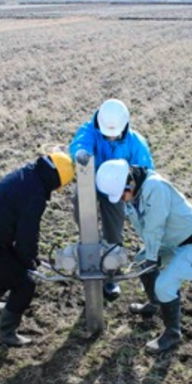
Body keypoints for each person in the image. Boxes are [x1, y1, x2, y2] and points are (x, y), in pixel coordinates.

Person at [95, 159, 192, 354]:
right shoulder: (133, 195)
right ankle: (155, 303)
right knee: (142, 262)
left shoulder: (155, 188)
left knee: (165, 285)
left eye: (122, 194)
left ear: (130, 182)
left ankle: (172, 334)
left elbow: (154, 227)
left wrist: (152, 256)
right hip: (172, 240)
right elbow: (145, 228)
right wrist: (148, 257)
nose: (122, 199)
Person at [0, 152, 75, 347]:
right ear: (55, 181)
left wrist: (26, 257)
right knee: (24, 284)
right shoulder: (35, 195)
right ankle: (7, 333)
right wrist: (29, 260)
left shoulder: (28, 173)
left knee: (11, 271)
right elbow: (26, 234)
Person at [69, 99, 154, 299]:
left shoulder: (135, 142)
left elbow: (145, 170)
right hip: (90, 180)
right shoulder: (90, 130)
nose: (109, 136)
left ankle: (111, 275)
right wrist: (81, 153)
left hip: (116, 189)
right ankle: (90, 253)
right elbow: (80, 142)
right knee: (81, 209)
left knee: (114, 230)